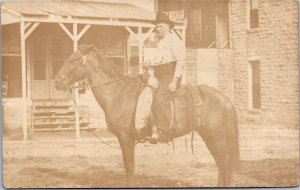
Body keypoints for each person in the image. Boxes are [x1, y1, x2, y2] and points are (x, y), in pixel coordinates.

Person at [135, 12, 185, 143]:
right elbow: (159, 60)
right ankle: (144, 128)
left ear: (168, 26)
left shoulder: (174, 40)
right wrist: (149, 63)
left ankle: (165, 132)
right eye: (156, 27)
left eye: (160, 26)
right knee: (144, 92)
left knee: (160, 98)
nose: (158, 29)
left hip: (170, 75)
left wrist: (175, 80)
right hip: (158, 74)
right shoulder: (160, 42)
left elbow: (181, 60)